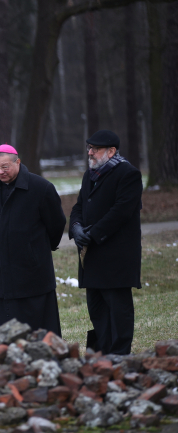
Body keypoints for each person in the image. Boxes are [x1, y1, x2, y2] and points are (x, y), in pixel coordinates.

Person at [0, 144, 66, 335]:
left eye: (5, 167)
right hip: (1, 269)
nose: (0, 172)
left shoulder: (41, 188)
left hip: (32, 271)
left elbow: (56, 223)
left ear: (17, 162)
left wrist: (37, 250)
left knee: (38, 330)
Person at [69, 130, 142, 355]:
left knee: (118, 309)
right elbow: (79, 206)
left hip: (116, 257)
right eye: (89, 148)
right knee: (97, 309)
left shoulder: (128, 174)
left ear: (111, 151)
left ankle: (120, 355)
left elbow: (121, 212)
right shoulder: (90, 174)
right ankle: (102, 354)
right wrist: (76, 228)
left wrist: (93, 234)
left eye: (95, 149)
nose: (89, 153)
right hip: (91, 257)